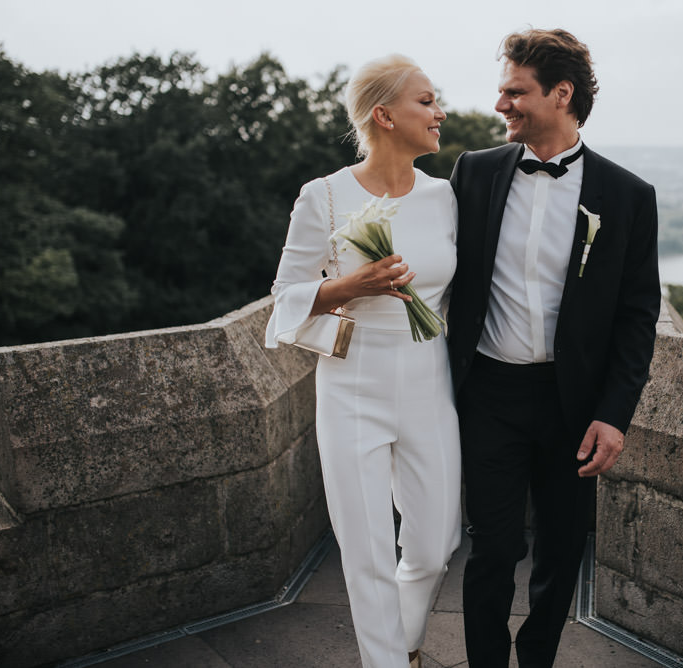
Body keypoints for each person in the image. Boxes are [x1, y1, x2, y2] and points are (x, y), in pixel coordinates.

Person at [447, 29, 661, 667]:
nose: (500, 104)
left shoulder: (627, 196)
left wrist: (614, 415)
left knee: (564, 549)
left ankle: (536, 657)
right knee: (491, 547)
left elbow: (636, 315)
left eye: (515, 91)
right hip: (488, 393)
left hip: (574, 405)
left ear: (560, 93)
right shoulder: (474, 173)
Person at [264, 54, 461, 668]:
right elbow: (284, 300)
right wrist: (352, 286)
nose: (440, 112)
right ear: (384, 114)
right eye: (426, 101)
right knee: (367, 547)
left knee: (434, 543)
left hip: (431, 379)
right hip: (352, 382)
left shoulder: (447, 197)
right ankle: (388, 662)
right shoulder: (322, 197)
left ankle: (400, 643)